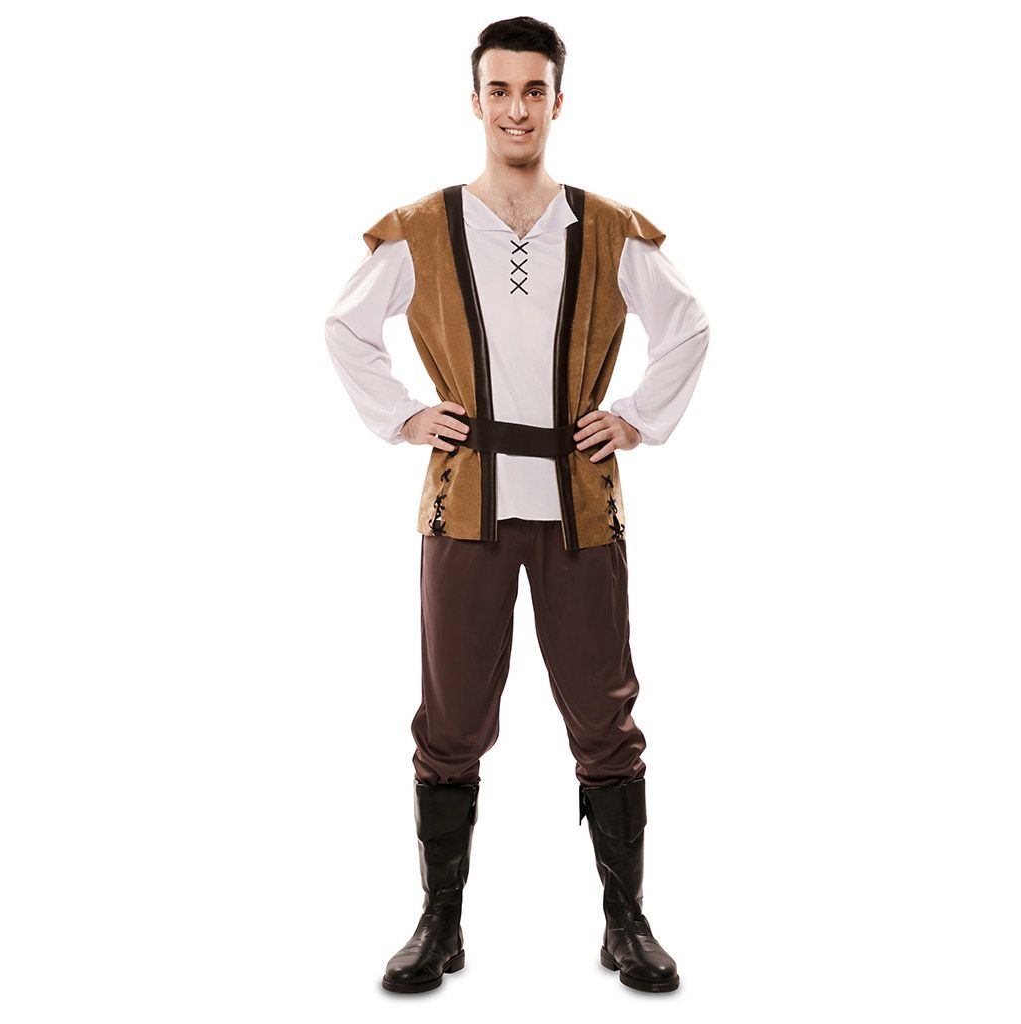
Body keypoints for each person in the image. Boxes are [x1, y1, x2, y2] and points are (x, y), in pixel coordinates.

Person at [323, 16, 709, 995]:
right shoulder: (422, 227)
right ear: (476, 102)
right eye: (499, 90)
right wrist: (406, 416)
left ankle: (625, 922)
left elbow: (688, 326)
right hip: (464, 508)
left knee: (605, 714)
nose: (516, 109)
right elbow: (345, 326)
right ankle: (439, 923)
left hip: (581, 505)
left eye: (533, 90)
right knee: (450, 717)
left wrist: (634, 419)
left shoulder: (609, 228)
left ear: (557, 102)